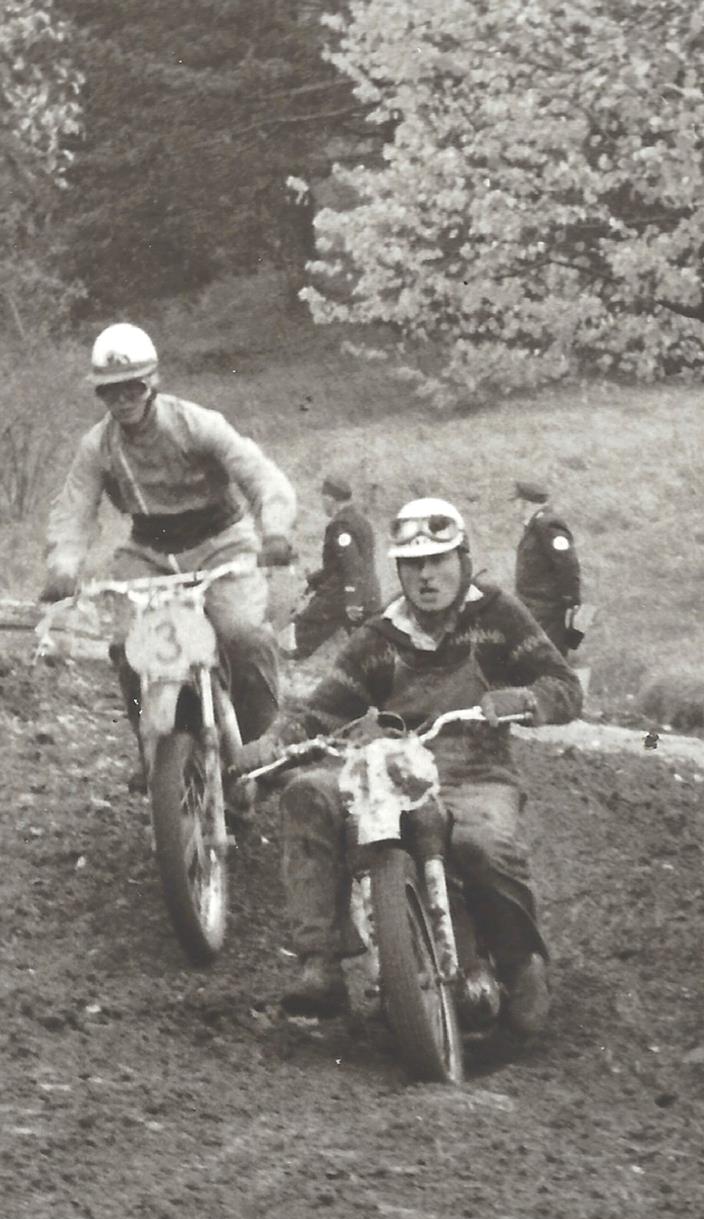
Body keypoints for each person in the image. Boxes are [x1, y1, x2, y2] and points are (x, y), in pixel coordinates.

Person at [236, 497, 582, 1034]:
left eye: (439, 559)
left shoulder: (498, 615)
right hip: (392, 767)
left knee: (483, 845)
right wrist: (274, 740)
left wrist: (524, 700)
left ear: (462, 558)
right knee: (309, 792)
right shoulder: (381, 635)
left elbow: (563, 686)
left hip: (474, 769)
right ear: (398, 569)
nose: (426, 575)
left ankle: (521, 962)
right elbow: (325, 706)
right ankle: (319, 963)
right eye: (413, 564)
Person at [40, 322, 296, 764]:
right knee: (127, 647)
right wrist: (64, 566)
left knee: (242, 637)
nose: (122, 402)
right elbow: (75, 509)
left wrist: (274, 531)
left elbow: (259, 475)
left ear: (152, 383)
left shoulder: (195, 423)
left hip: (221, 539)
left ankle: (261, 748)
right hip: (151, 550)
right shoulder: (97, 445)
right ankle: (154, 754)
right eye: (110, 392)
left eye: (132, 389)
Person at [291, 474, 381, 658]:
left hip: (341, 599)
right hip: (369, 596)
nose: (322, 505)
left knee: (297, 636)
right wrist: (311, 582)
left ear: (329, 499)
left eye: (323, 500)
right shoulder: (362, 522)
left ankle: (286, 672)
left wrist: (352, 601)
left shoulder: (341, 525)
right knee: (368, 653)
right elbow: (339, 566)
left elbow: (351, 564)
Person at [513, 479, 582, 657]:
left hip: (546, 610)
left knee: (546, 659)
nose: (514, 508)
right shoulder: (536, 526)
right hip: (534, 608)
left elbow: (567, 565)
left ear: (524, 503)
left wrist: (571, 600)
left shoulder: (548, 525)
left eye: (516, 502)